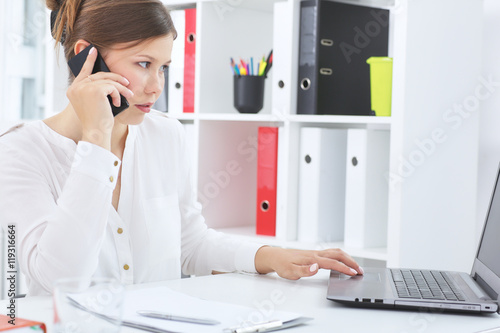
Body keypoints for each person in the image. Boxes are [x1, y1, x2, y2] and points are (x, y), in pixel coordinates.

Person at [0, 0, 363, 297]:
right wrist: (97, 139)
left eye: (164, 68)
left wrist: (272, 256)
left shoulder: (166, 135)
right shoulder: (20, 152)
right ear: (86, 58)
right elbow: (58, 280)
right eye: (144, 64)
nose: (156, 86)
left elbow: (190, 243)